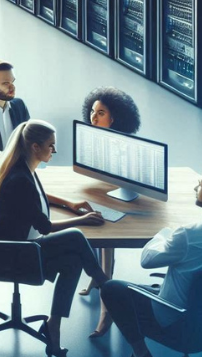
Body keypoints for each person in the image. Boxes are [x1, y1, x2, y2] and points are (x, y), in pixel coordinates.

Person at [101, 168, 202, 357]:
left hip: (175, 319)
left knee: (111, 288)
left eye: (200, 185)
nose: (196, 188)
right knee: (152, 286)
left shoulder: (186, 235)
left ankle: (141, 352)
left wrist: (164, 233)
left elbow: (146, 260)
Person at [0, 120, 109, 355]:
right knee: (76, 236)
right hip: (18, 253)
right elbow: (44, 226)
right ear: (36, 147)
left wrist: (69, 203)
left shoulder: (24, 169)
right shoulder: (19, 179)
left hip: (24, 245)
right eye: (51, 145)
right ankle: (108, 288)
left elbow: (38, 196)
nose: (54, 151)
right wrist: (82, 220)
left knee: (73, 261)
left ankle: (52, 325)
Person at [78, 86, 142, 329]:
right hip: (105, 195)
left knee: (105, 234)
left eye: (101, 113)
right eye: (93, 111)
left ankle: (107, 304)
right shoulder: (95, 137)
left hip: (123, 200)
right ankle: (99, 278)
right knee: (96, 229)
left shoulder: (124, 145)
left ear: (114, 118)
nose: (93, 117)